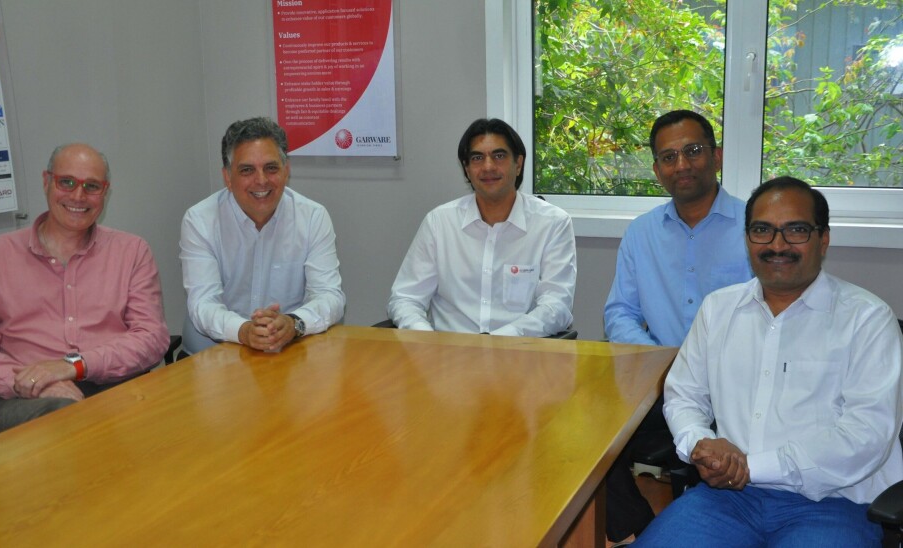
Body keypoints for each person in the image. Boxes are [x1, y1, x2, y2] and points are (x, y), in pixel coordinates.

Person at [634, 176, 903, 546]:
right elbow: (684, 395)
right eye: (763, 230)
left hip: (832, 503)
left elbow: (865, 437)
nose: (778, 244)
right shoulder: (718, 309)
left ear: (822, 239)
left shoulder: (867, 319)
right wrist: (700, 444)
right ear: (747, 238)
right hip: (726, 500)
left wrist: (748, 466)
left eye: (795, 230)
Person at [601, 110, 754, 543]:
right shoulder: (641, 233)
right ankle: (644, 531)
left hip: (736, 389)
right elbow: (620, 314)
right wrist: (661, 362)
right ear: (656, 170)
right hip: (661, 382)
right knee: (583, 437)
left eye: (693, 151)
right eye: (668, 157)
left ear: (716, 155)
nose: (681, 165)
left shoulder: (754, 228)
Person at [0, 143, 170, 433]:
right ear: (46, 181)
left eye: (92, 186)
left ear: (105, 192)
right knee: (69, 423)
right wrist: (33, 382)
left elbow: (151, 337)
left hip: (118, 387)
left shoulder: (132, 251)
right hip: (31, 402)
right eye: (66, 182)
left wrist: (76, 365)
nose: (78, 196)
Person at [387, 118, 575, 336]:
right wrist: (427, 339)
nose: (488, 166)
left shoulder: (552, 223)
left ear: (519, 163)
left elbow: (557, 306)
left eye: (499, 155)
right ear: (466, 169)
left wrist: (499, 341)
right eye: (477, 158)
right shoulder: (440, 222)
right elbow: (405, 298)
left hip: (520, 355)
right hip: (448, 357)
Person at [180, 116, 344, 356]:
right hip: (217, 353)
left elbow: (330, 297)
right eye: (247, 170)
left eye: (271, 168)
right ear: (227, 177)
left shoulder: (312, 217)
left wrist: (294, 323)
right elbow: (203, 304)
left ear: (286, 170)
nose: (261, 180)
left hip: (288, 350)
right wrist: (244, 331)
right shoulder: (200, 220)